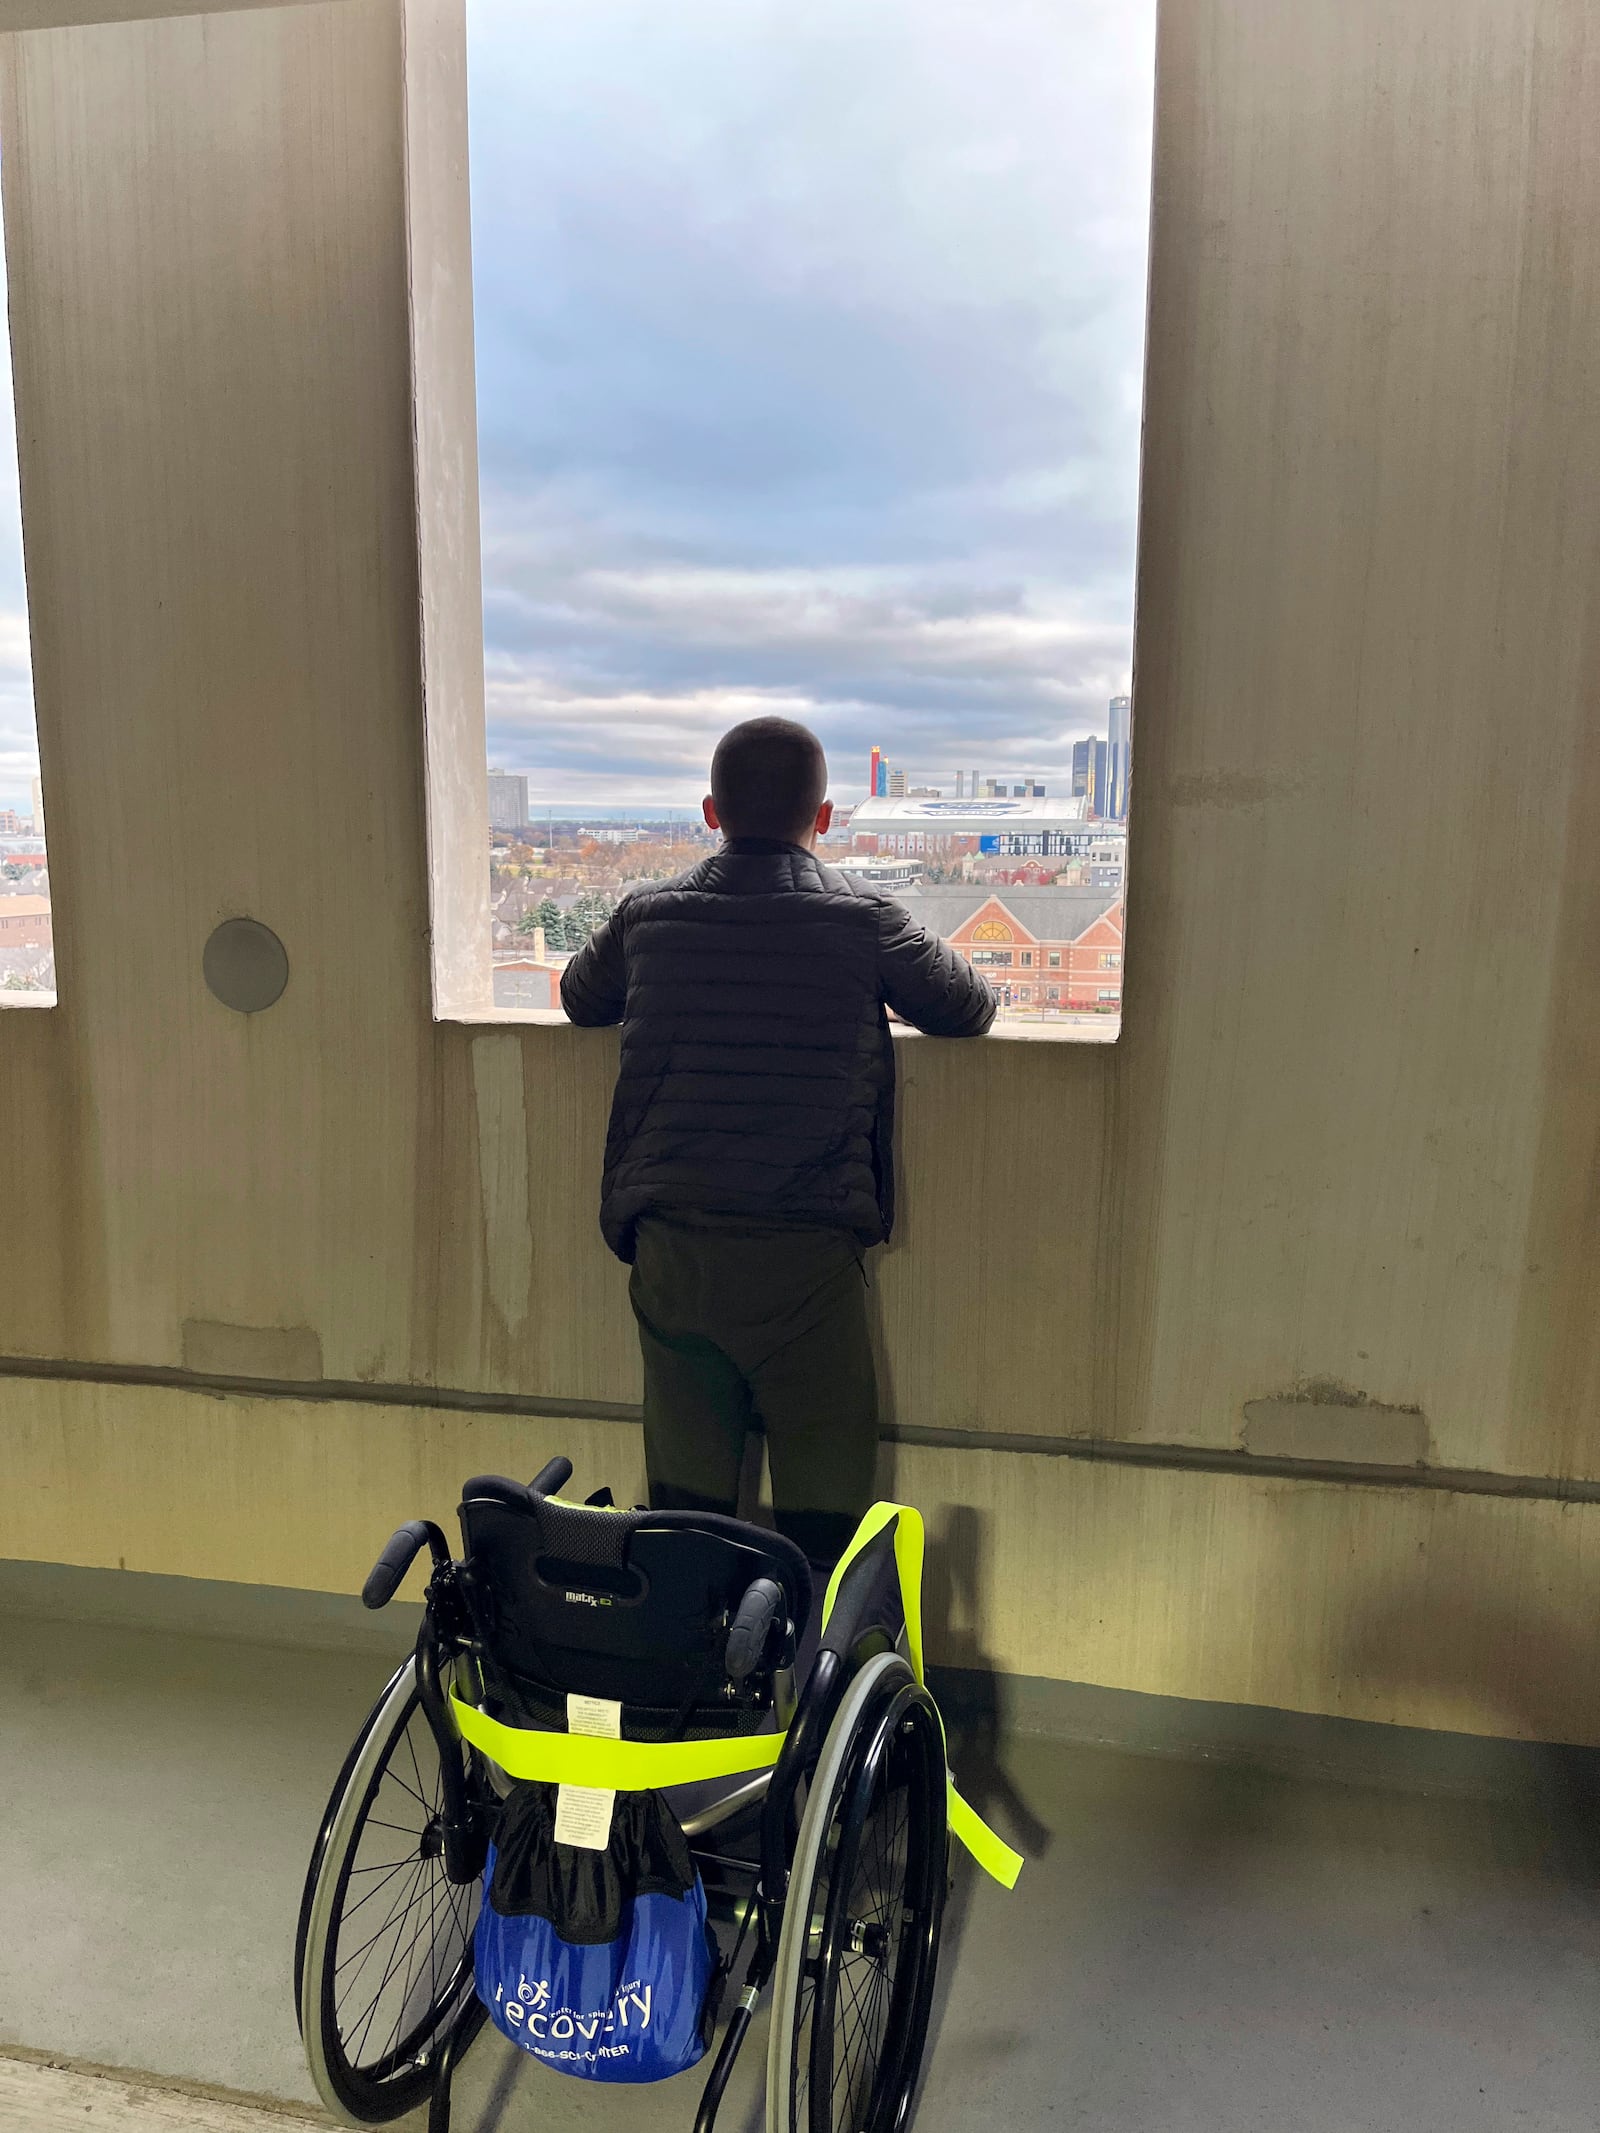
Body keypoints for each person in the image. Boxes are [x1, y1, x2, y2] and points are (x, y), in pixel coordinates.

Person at [561, 716, 995, 1567]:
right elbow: (967, 1007)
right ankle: (814, 1686)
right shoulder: (859, 917)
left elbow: (581, 996)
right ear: (824, 817)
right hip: (805, 1256)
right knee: (826, 1528)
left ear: (710, 811)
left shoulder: (649, 916)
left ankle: (690, 1689)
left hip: (673, 1250)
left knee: (683, 1520)